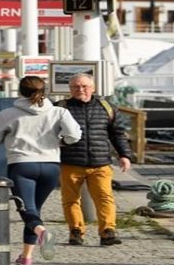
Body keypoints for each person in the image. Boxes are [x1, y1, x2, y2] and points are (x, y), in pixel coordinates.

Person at [0, 76, 82, 265]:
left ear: (20, 91)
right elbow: (75, 136)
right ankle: (26, 257)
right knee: (34, 211)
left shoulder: (8, 114)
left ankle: (43, 233)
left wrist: (9, 136)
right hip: (51, 165)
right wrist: (61, 141)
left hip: (22, 165)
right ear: (44, 90)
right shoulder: (59, 111)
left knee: (27, 210)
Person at [56, 73, 135, 247]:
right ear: (70, 89)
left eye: (84, 86)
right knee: (70, 200)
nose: (80, 90)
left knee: (105, 198)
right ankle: (75, 231)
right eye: (76, 87)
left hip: (100, 162)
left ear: (93, 88)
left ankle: (108, 231)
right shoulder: (60, 108)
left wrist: (125, 155)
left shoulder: (107, 107)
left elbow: (118, 134)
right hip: (70, 162)